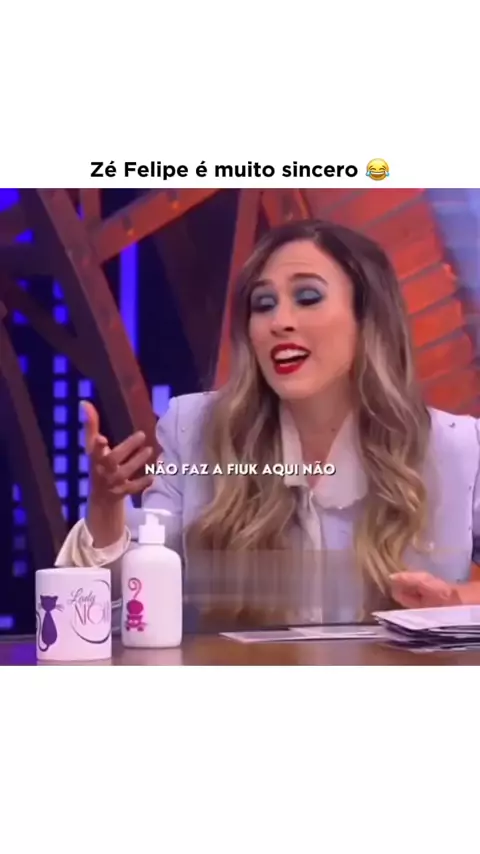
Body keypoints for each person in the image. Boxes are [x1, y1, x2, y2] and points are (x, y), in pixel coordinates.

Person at [56, 218, 480, 627]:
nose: (279, 322)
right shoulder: (196, 430)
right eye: (263, 305)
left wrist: (454, 601)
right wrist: (106, 509)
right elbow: (132, 595)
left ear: (367, 317)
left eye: (308, 297)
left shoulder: (454, 446)